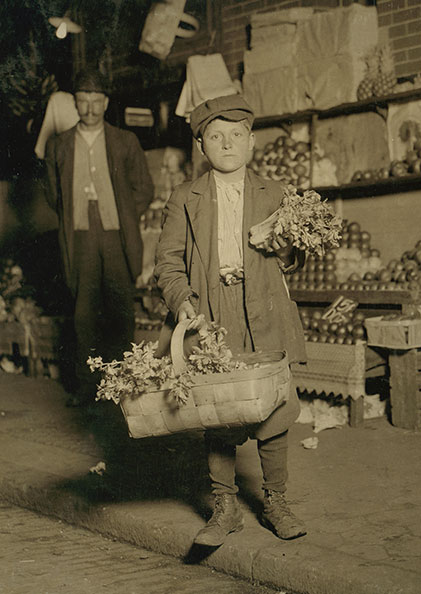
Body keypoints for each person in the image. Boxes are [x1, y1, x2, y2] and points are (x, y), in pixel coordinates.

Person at [153, 94, 308, 545]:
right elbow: (167, 262)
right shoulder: (186, 197)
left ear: (252, 142)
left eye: (236, 135)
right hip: (212, 313)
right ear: (201, 147)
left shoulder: (276, 194)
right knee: (219, 409)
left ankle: (275, 500)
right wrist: (182, 299)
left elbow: (292, 258)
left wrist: (283, 247)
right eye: (215, 136)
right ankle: (225, 506)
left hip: (265, 305)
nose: (227, 144)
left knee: (274, 405)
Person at [43, 69, 154, 407]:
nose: (89, 108)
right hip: (80, 238)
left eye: (96, 101)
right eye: (82, 101)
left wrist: (122, 213)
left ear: (105, 103)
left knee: (121, 310)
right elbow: (52, 194)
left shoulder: (124, 141)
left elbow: (145, 189)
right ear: (74, 103)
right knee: (84, 313)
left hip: (116, 237)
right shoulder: (58, 144)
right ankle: (87, 387)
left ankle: (125, 385)